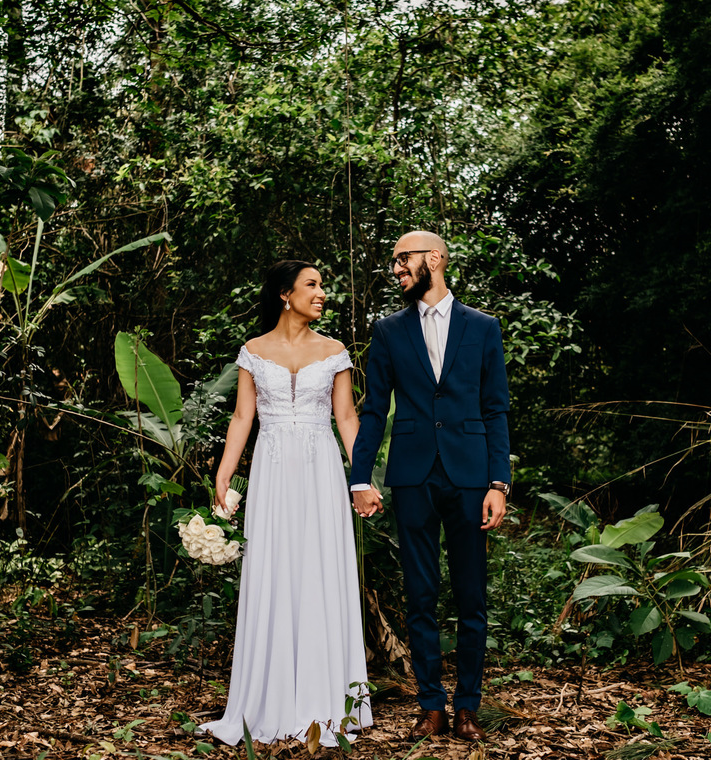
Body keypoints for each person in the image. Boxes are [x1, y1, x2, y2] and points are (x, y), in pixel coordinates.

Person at [200, 260, 372, 747]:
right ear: (284, 294)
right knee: (274, 571)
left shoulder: (335, 351)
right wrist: (224, 472)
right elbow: (241, 417)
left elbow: (346, 419)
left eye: (323, 287)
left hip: (321, 472)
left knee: (320, 570)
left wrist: (363, 479)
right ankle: (267, 700)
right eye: (312, 286)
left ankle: (324, 703)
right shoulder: (253, 352)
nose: (321, 294)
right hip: (272, 474)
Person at [350, 231, 511, 742]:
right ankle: (431, 706)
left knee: (471, 597)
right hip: (412, 475)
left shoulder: (483, 327)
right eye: (394, 262)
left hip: (470, 477)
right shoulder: (389, 330)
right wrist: (360, 476)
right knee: (420, 594)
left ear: (435, 259)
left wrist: (498, 482)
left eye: (404, 260)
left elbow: (495, 408)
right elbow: (374, 409)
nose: (396, 269)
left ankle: (467, 706)